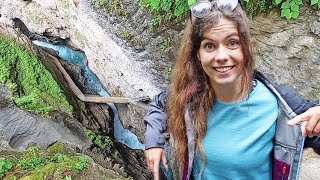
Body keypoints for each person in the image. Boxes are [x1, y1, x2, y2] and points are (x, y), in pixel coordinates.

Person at [143, 0, 320, 180]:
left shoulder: (280, 104)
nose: (221, 57)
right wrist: (153, 142)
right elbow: (159, 104)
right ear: (198, 54)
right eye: (209, 46)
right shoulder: (190, 95)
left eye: (232, 43)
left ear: (246, 47)